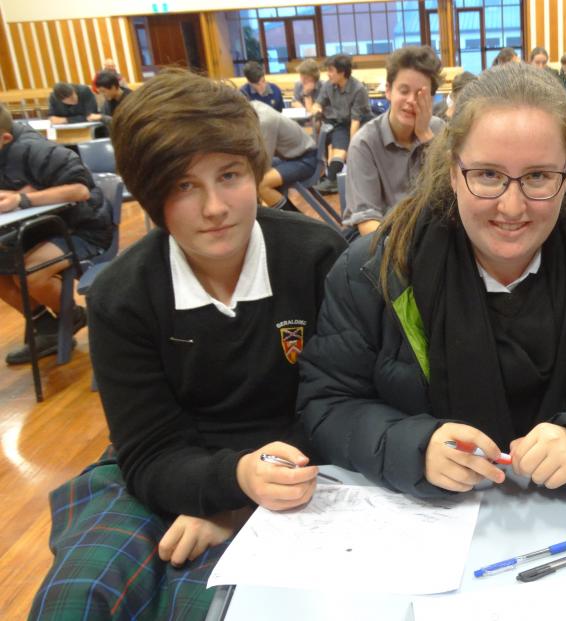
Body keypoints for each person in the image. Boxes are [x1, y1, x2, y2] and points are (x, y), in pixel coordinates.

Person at [28, 69, 347, 620]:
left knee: (207, 607)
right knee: (76, 600)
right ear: (151, 196)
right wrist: (229, 484)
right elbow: (149, 450)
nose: (216, 207)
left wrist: (239, 502)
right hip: (166, 470)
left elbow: (341, 402)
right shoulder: (120, 297)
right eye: (183, 186)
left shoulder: (317, 256)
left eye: (229, 175)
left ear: (255, 170)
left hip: (300, 464)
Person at [297, 63, 566, 499]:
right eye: (487, 175)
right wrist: (416, 449)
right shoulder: (374, 273)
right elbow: (328, 405)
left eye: (538, 176)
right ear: (451, 171)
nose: (512, 206)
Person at [0, 107, 109, 365]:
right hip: (38, 229)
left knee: (29, 272)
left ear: (5, 138)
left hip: (82, 227)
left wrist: (23, 198)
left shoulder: (39, 150)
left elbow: (80, 190)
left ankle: (71, 317)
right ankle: (47, 328)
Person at [344, 46, 444, 236]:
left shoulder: (438, 131)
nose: (411, 101)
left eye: (421, 94)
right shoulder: (364, 144)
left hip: (432, 235)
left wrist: (425, 136)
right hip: (383, 238)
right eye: (404, 91)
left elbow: (454, 195)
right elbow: (367, 222)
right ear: (388, 91)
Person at [312, 53, 372, 194]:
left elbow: (355, 121)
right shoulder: (329, 85)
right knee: (338, 149)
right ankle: (332, 180)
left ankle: (333, 180)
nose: (328, 74)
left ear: (342, 73)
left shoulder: (358, 89)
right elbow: (319, 102)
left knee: (348, 148)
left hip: (362, 124)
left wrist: (353, 146)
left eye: (331, 71)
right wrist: (317, 108)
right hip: (341, 123)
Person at [248, 100, 319, 210]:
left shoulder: (265, 121)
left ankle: (294, 222)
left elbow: (264, 162)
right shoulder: (253, 106)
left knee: (261, 184)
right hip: (291, 158)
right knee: (252, 176)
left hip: (306, 160)